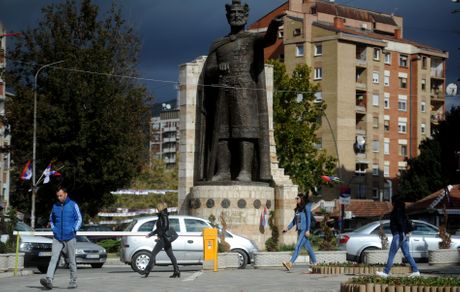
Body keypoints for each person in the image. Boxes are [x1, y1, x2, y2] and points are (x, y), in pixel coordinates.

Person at [197, 0, 284, 183]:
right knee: (222, 133)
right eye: (232, 13)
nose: (236, 16)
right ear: (228, 17)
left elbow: (269, 39)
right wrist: (218, 68)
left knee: (245, 131)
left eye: (239, 13)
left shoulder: (252, 39)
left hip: (245, 91)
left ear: (246, 16)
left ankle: (245, 171)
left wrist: (274, 25)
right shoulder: (219, 44)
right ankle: (223, 171)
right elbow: (208, 70)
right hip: (223, 93)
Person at [40, 186, 82, 290]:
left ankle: (73, 281)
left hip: (70, 237)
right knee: (53, 258)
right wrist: (54, 229)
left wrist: (74, 229)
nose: (59, 197)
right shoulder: (55, 206)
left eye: (61, 195)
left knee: (71, 260)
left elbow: (79, 219)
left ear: (66, 194)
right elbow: (51, 219)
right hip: (57, 237)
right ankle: (49, 280)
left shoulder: (73, 205)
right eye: (57, 196)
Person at [376, 196, 420, 278]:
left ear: (395, 203)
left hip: (398, 235)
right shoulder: (403, 212)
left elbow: (400, 223)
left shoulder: (397, 212)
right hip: (403, 235)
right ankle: (416, 271)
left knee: (391, 254)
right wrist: (404, 234)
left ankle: (385, 273)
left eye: (392, 202)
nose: (391, 203)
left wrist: (401, 234)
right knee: (407, 254)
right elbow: (405, 223)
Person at [143, 202, 180, 278]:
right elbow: (159, 228)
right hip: (166, 238)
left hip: (163, 238)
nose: (156, 209)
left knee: (153, 254)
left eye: (157, 207)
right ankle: (177, 271)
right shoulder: (163, 215)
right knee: (171, 256)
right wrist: (151, 234)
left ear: (160, 207)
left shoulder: (163, 215)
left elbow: (165, 227)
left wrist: (160, 235)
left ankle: (147, 270)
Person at [282, 192, 317, 272]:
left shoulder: (306, 207)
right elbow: (294, 221)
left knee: (297, 246)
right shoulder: (298, 209)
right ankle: (315, 263)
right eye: (296, 198)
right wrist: (287, 228)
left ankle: (290, 263)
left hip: (304, 231)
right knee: (308, 248)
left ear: (301, 199)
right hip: (300, 230)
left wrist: (308, 230)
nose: (296, 200)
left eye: (297, 198)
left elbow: (308, 219)